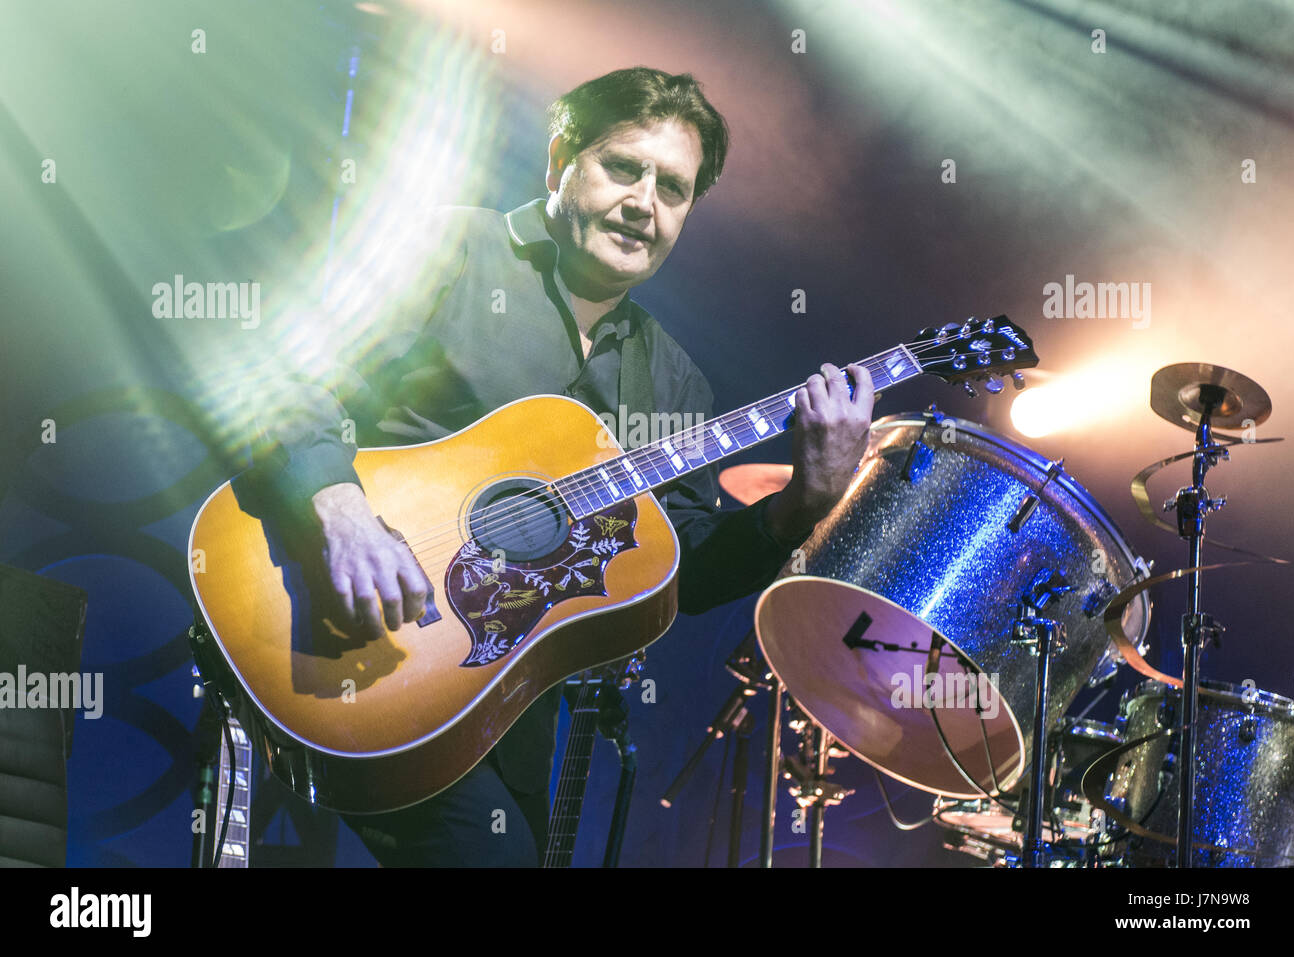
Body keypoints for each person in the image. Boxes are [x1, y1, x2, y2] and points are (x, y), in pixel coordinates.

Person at [246, 67, 874, 866]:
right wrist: (340, 511)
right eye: (624, 168)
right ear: (559, 163)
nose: (645, 202)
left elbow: (686, 575)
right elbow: (282, 374)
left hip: (502, 706)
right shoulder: (448, 248)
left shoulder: (672, 379)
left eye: (674, 189)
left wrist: (807, 500)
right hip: (335, 628)